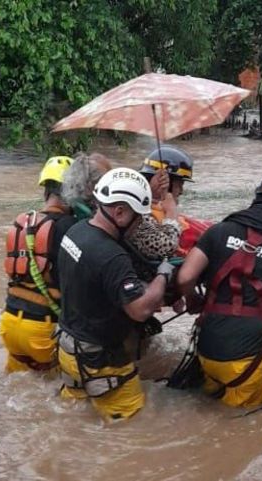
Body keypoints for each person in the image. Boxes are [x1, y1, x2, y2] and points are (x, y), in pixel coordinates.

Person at [176, 172, 262, 411]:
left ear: (255, 198)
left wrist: (193, 300)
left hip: (207, 348)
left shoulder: (218, 231)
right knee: (244, 430)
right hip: (247, 360)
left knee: (204, 411)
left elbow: (184, 277)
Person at [57, 167, 174, 420]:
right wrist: (163, 275)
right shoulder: (112, 256)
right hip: (101, 361)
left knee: (72, 421)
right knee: (131, 434)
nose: (140, 225)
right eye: (138, 218)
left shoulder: (74, 232)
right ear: (119, 212)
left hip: (68, 351)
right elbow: (140, 310)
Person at [0, 154, 111, 373]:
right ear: (73, 189)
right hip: (43, 328)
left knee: (19, 386)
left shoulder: (25, 223)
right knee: (64, 390)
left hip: (10, 323)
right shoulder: (71, 228)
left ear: (45, 190)